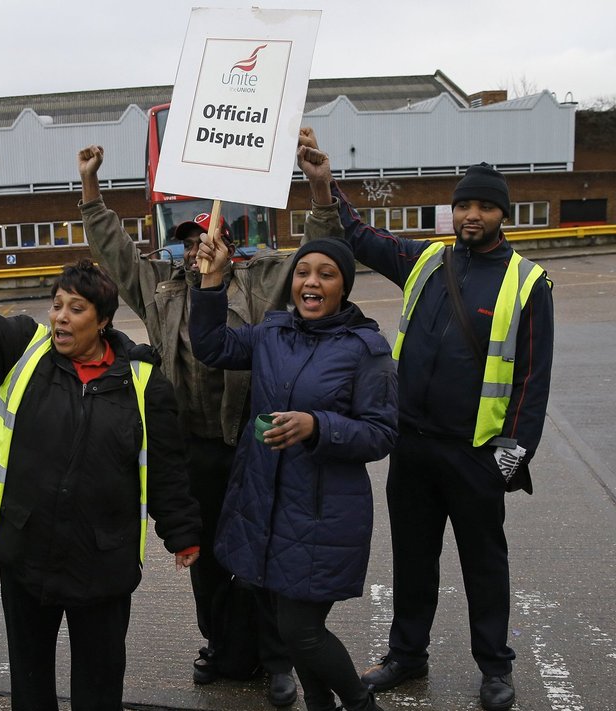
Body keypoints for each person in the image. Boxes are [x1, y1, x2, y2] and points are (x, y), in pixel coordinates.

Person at [0, 230, 202, 711]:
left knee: (99, 685)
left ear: (104, 321)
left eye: (77, 308)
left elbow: (168, 467)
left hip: (103, 560)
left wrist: (183, 531)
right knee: (30, 685)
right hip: (28, 554)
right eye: (57, 304)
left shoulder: (143, 383)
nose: (61, 317)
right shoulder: (27, 349)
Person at [297, 136, 555, 711]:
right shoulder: (427, 260)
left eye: (484, 207)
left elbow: (532, 379)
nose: (472, 215)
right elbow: (360, 237)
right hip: (411, 445)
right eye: (465, 205)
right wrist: (322, 184)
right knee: (413, 559)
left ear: (502, 215)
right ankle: (406, 656)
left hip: (475, 453)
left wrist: (511, 456)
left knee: (483, 564)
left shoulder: (527, 281)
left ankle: (495, 668)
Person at [77, 144, 300, 705]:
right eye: (190, 237)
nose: (200, 244)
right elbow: (115, 251)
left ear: (227, 239)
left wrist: (318, 191)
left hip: (252, 443)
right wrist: (90, 190)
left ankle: (276, 660)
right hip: (191, 448)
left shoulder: (263, 281)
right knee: (206, 560)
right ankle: (223, 649)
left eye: (209, 235)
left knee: (260, 555)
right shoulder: (161, 285)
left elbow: (322, 250)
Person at [189, 236, 399, 711]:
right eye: (304, 272)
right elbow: (210, 346)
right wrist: (212, 279)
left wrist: (317, 425)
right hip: (267, 503)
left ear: (343, 286)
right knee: (290, 625)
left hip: (323, 512)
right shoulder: (271, 332)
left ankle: (361, 705)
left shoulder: (366, 349)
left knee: (301, 630)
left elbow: (382, 434)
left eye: (326, 274)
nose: (311, 281)